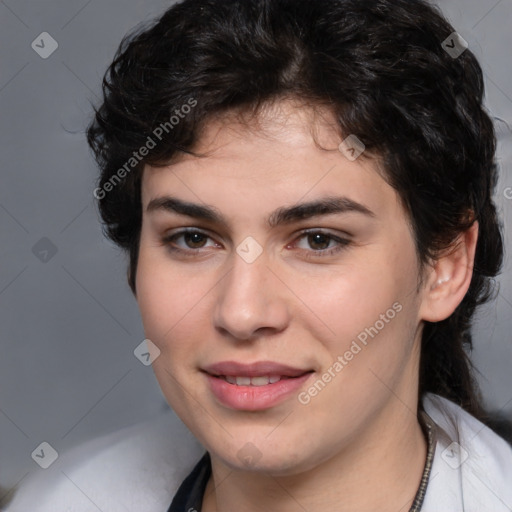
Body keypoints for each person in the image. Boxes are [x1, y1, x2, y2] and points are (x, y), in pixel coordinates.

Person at [4, 0, 512, 510]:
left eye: (318, 240)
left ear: (444, 267)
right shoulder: (60, 499)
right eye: (193, 238)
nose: (242, 313)